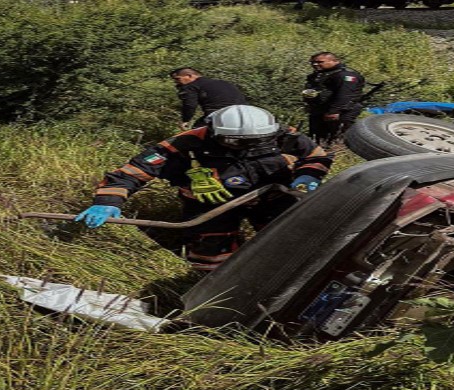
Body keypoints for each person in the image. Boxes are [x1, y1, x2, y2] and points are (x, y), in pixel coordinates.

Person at [76, 105, 332, 271]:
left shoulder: (283, 135)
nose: (248, 147)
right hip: (210, 206)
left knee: (292, 242)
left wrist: (307, 177)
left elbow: (316, 157)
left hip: (273, 197)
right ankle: (218, 291)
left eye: (256, 141)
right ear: (214, 132)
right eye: (237, 142)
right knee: (211, 257)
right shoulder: (184, 144)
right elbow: (132, 173)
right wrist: (107, 202)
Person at [302, 52, 365, 145]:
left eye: (320, 62)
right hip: (320, 110)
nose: (315, 64)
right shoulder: (320, 74)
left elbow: (345, 95)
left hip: (341, 111)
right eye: (313, 62)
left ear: (335, 61)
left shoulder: (345, 75)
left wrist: (334, 111)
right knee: (318, 137)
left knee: (338, 137)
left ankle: (340, 155)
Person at [170, 67, 248, 129]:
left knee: (196, 135)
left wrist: (185, 120)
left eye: (178, 79)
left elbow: (190, 105)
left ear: (189, 76)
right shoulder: (223, 82)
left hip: (217, 115)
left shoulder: (191, 86)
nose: (176, 82)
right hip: (243, 114)